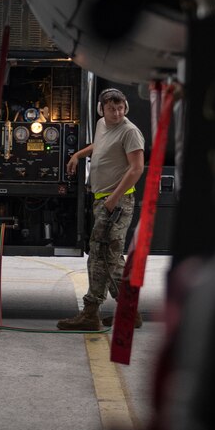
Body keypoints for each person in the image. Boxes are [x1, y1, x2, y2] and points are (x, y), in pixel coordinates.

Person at [57, 88, 145, 330]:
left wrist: (113, 200)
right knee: (111, 259)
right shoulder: (102, 125)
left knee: (98, 258)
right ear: (101, 110)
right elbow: (100, 145)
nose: (116, 113)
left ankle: (90, 314)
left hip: (116, 203)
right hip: (104, 201)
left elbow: (137, 168)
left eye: (120, 108)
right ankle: (130, 312)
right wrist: (78, 154)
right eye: (111, 109)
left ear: (125, 108)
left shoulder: (130, 132)